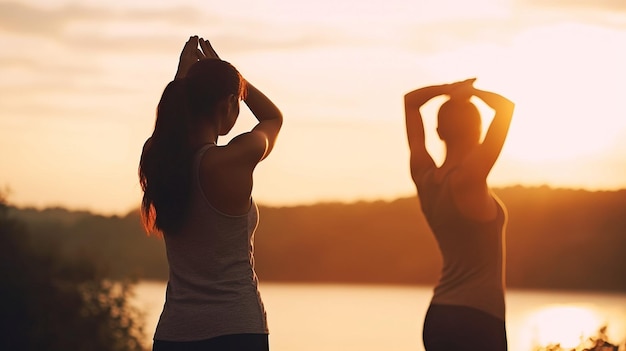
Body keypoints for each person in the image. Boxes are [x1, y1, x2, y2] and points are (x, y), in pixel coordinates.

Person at [139, 35, 283, 351]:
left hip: (174, 333)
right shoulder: (230, 161)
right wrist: (236, 78)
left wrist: (184, 78)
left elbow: (167, 130)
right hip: (236, 329)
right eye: (236, 100)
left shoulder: (156, 156)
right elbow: (273, 118)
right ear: (229, 102)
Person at [404, 79, 514, 351]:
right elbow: (506, 109)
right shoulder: (470, 177)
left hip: (439, 316)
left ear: (439, 131)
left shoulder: (424, 175)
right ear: (478, 131)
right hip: (478, 319)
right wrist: (472, 93)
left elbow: (410, 102)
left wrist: (450, 90)